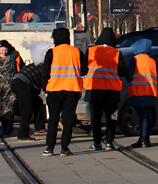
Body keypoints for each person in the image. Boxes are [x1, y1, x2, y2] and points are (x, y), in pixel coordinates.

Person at [40, 27, 86, 156]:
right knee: (68, 120)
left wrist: (45, 89)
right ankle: (64, 148)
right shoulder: (76, 52)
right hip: (72, 90)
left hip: (54, 90)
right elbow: (84, 71)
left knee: (53, 120)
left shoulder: (51, 52)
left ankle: (49, 147)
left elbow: (45, 73)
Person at [83, 27, 130, 151]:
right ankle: (109, 142)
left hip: (94, 90)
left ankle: (96, 142)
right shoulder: (116, 53)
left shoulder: (91, 51)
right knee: (112, 117)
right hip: (111, 91)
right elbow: (122, 71)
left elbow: (83, 68)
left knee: (96, 117)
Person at [126, 39, 157, 149]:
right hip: (150, 92)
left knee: (142, 117)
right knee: (148, 116)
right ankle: (145, 139)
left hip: (138, 92)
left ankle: (143, 140)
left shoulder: (135, 60)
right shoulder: (152, 61)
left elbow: (129, 76)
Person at [10, 61, 46, 141]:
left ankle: (39, 127)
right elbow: (44, 83)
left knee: (38, 102)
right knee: (26, 110)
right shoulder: (46, 68)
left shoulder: (40, 63)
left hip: (17, 81)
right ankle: (22, 134)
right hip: (22, 83)